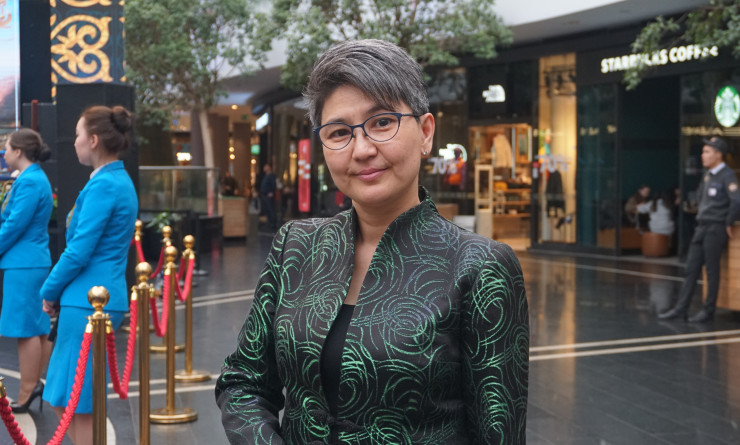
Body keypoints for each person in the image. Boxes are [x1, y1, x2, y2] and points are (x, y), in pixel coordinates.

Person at [216, 39, 529, 444]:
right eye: (339, 132)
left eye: (382, 122)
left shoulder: (480, 266)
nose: (362, 150)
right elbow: (244, 381)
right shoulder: (297, 245)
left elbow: (499, 435)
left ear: (426, 133)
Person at [40, 105, 138, 445]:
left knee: (75, 403)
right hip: (94, 298)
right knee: (70, 400)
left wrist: (49, 290)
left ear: (93, 140)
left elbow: (78, 251)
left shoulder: (105, 185)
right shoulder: (114, 181)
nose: (75, 141)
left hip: (88, 302)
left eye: (78, 134)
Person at [0, 129, 53, 413]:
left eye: (7, 149)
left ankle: (26, 391)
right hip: (31, 262)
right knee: (37, 328)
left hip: (24, 263)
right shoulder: (33, 178)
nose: (4, 154)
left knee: (26, 330)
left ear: (18, 151)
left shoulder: (30, 181)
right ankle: (33, 386)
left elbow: (13, 225)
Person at [659, 136, 740, 323]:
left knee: (711, 270)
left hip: (716, 227)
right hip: (702, 226)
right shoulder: (708, 175)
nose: (703, 155)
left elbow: (736, 201)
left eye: (707, 152)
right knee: (691, 268)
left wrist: (728, 222)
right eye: (704, 151)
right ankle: (681, 309)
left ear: (718, 154)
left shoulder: (727, 175)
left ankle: (708, 310)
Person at [260, 163, 277, 229]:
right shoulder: (266, 175)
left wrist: (272, 192)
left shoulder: (271, 176)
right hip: (264, 195)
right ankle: (269, 223)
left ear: (269, 167)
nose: (264, 168)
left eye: (265, 167)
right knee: (267, 209)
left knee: (271, 209)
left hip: (268, 195)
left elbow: (273, 184)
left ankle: (273, 224)